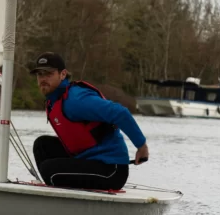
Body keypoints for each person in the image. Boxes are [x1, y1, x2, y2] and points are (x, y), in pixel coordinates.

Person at [30, 52, 149, 191]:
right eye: (40, 74)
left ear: (62, 74)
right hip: (86, 159)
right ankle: (57, 188)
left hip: (111, 169)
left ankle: (57, 190)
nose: (43, 79)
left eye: (48, 74)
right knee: (42, 145)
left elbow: (120, 113)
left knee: (49, 170)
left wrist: (142, 146)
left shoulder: (76, 99)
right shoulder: (54, 100)